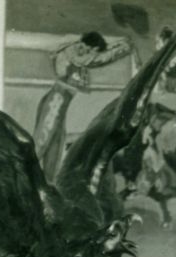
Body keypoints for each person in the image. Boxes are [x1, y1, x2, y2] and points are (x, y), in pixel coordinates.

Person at [33, 31, 135, 180]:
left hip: (59, 102)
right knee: (42, 142)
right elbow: (99, 59)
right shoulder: (74, 51)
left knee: (55, 146)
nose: (91, 53)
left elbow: (98, 55)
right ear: (88, 45)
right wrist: (124, 47)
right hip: (56, 101)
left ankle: (48, 184)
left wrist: (119, 43)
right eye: (92, 50)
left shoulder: (78, 49)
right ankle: (25, 177)